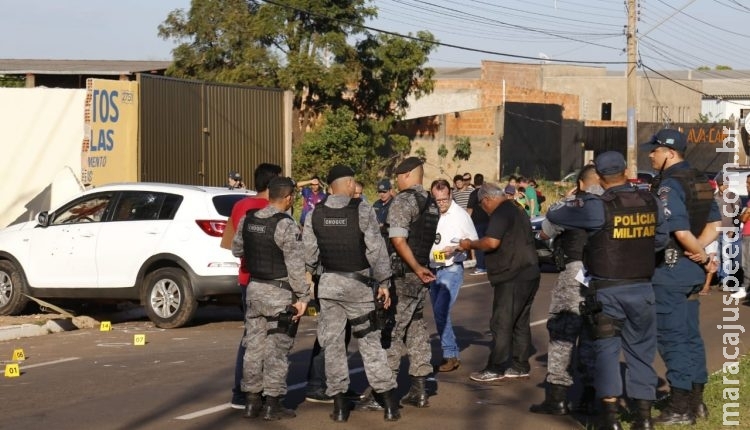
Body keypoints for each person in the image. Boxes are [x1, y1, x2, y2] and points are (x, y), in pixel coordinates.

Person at [546, 151, 668, 430]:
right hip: (642, 287)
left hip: (608, 291)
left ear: (600, 178)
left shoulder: (597, 206)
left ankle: (610, 419)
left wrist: (577, 195)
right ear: (626, 171)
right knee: (641, 353)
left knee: (607, 352)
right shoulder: (651, 200)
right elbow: (660, 240)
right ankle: (644, 418)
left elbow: (554, 214)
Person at [303, 165, 400, 422]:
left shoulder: (315, 214)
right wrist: (384, 283)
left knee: (333, 347)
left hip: (329, 287)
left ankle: (339, 407)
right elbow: (376, 250)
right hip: (358, 287)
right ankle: (389, 404)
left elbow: (309, 256)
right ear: (347, 184)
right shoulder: (363, 210)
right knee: (370, 344)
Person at [642, 129, 721, 425]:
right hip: (691, 270)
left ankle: (679, 406)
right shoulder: (700, 179)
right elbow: (714, 223)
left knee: (672, 338)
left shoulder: (668, 186)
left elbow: (680, 231)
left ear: (669, 153)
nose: (651, 155)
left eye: (655, 150)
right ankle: (697, 401)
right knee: (690, 336)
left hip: (671, 269)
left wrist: (697, 251)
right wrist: (700, 254)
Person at [232, 176, 310, 420]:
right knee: (277, 350)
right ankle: (273, 404)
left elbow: (237, 249)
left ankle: (251, 401)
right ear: (288, 198)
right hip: (280, 294)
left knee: (253, 348)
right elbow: (296, 267)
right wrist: (304, 297)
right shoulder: (286, 225)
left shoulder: (249, 218)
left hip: (255, 289)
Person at [529, 164, 600, 417]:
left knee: (562, 332)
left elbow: (546, 231)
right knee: (594, 332)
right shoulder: (613, 203)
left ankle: (557, 397)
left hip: (574, 271)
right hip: (605, 276)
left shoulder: (570, 207)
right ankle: (591, 396)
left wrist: (570, 199)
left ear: (580, 183)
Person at [458, 182, 540, 383]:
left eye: (482, 205)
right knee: (519, 321)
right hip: (528, 272)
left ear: (486, 199)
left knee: (501, 323)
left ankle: (495, 367)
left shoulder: (501, 212)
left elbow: (491, 242)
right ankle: (520, 365)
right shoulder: (516, 208)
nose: (483, 209)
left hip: (513, 275)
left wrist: (469, 244)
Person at [220, 163, 282, 410]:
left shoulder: (239, 206)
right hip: (273, 282)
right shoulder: (273, 209)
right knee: (273, 339)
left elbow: (230, 244)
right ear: (271, 184)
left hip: (246, 279)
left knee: (249, 337)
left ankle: (240, 393)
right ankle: (267, 395)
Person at [386, 156, 439, 408]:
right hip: (420, 274)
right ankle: (419, 388)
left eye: (397, 176)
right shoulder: (431, 202)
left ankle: (383, 392)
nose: (396, 181)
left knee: (393, 331)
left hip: (405, 275)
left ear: (406, 175)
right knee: (416, 328)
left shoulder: (404, 200)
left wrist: (415, 267)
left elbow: (398, 240)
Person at [429, 179, 478, 372]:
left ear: (450, 195)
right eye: (437, 200)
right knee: (438, 313)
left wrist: (457, 247)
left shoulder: (460, 215)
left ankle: (450, 354)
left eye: (444, 199)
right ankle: (450, 352)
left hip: (451, 268)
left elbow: (473, 240)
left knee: (441, 310)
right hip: (433, 267)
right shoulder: (432, 212)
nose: (441, 203)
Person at [466, 173, 488, 275]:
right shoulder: (486, 193)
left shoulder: (474, 194)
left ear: (474, 182)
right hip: (488, 221)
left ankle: (480, 267)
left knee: (479, 244)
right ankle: (487, 265)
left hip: (477, 222)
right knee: (487, 243)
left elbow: (469, 209)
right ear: (483, 181)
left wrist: (466, 221)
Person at [734, 174, 750, 300]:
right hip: (745, 234)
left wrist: (744, 214)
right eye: (746, 182)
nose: (747, 185)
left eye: (749, 183)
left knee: (746, 264)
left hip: (748, 235)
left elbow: (743, 218)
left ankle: (745, 288)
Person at [373, 179, 395, 245]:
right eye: (380, 192)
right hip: (376, 239)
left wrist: (384, 226)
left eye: (384, 192)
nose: (382, 194)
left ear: (390, 191)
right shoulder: (376, 204)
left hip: (389, 240)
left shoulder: (395, 204)